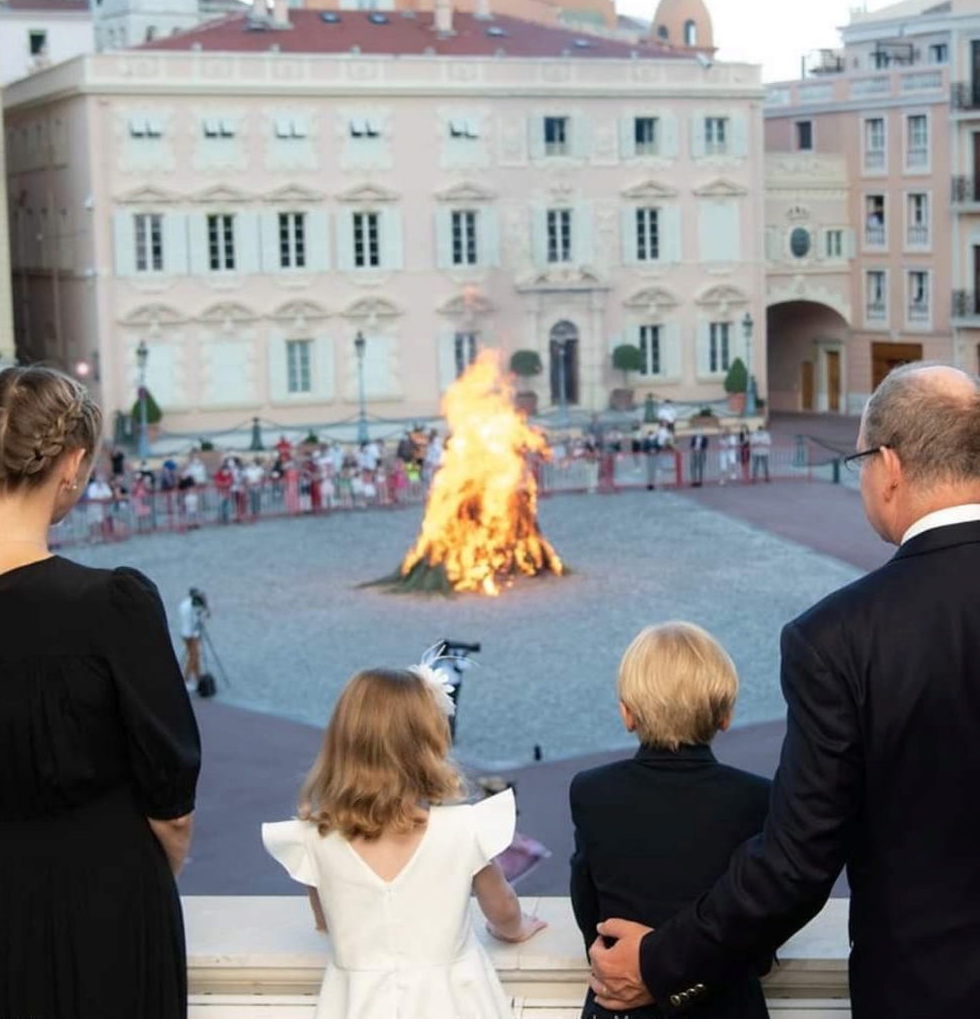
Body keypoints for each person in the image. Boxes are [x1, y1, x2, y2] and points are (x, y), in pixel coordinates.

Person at [588, 363, 980, 1019]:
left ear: (889, 467)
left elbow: (797, 864)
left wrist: (660, 963)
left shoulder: (840, 636)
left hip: (925, 992)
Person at [0, 366, 200, 1018]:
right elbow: (172, 804)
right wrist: (146, 881)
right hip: (107, 904)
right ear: (71, 465)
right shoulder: (111, 605)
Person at [262, 664, 547, 1019]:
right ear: (429, 744)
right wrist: (517, 928)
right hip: (453, 1000)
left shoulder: (313, 839)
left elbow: (324, 921)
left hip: (357, 1003)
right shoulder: (462, 828)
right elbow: (503, 910)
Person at [571, 622, 771, 1019]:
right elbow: (759, 916)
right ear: (726, 715)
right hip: (726, 1004)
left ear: (627, 714)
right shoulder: (757, 797)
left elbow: (587, 900)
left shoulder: (591, 791)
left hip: (621, 1005)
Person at [179, 587, 208, 692]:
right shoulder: (194, 606)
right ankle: (185, 680)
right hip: (192, 635)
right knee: (194, 657)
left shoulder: (184, 604)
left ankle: (198, 677)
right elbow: (204, 616)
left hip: (184, 633)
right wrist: (205, 604)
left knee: (194, 655)